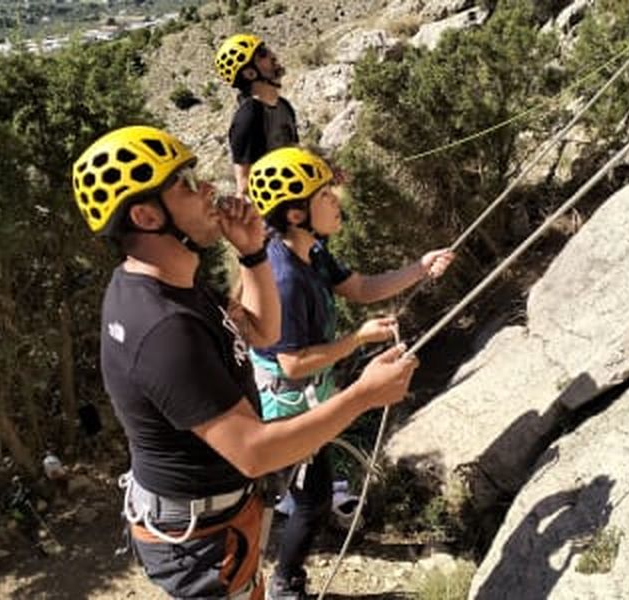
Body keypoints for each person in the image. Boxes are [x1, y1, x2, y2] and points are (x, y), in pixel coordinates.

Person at [71, 125, 418, 599]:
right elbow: (254, 451)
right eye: (186, 185)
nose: (208, 188)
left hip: (214, 521)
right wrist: (364, 395)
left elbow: (263, 333)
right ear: (148, 215)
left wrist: (253, 253)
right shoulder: (164, 327)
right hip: (200, 543)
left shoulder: (164, 282)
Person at [246, 147, 455, 599]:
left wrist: (420, 267)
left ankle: (279, 579)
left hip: (304, 395)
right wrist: (356, 342)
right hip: (282, 403)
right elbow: (292, 362)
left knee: (308, 494)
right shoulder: (283, 276)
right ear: (298, 213)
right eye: (326, 195)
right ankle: (278, 584)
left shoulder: (311, 251)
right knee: (297, 497)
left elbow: (360, 288)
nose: (337, 200)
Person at [215, 34, 298, 198]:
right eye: (262, 54)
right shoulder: (249, 116)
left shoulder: (283, 106)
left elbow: (294, 153)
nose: (272, 56)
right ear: (250, 73)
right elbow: (245, 186)